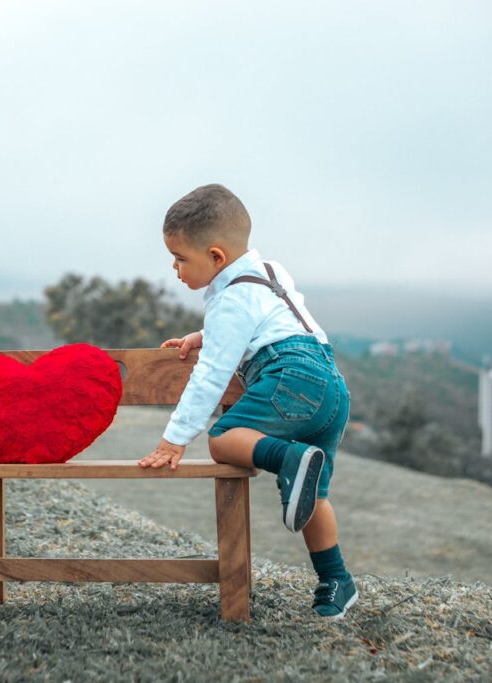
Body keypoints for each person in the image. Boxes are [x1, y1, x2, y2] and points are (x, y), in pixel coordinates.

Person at [137, 184, 356, 619]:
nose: (174, 267)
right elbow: (272, 315)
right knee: (316, 497)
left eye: (181, 258)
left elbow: (211, 375)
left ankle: (292, 460)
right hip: (329, 384)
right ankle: (336, 580)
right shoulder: (270, 271)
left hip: (289, 377)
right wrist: (206, 335)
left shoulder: (231, 300)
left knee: (222, 437)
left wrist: (174, 440)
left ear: (216, 257)